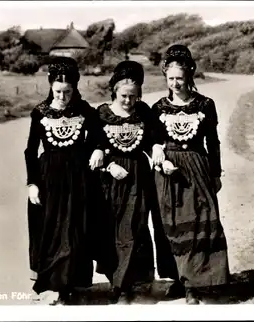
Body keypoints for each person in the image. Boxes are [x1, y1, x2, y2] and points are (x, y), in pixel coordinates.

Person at [150, 44, 231, 304]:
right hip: (169, 173)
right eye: (170, 78)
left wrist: (216, 173)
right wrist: (157, 153)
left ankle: (197, 283)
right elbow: (152, 140)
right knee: (171, 224)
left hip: (197, 167)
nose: (175, 83)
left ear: (190, 75)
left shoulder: (206, 104)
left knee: (201, 221)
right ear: (165, 76)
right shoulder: (158, 107)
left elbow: (213, 142)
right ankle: (179, 279)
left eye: (180, 78)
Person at [24, 57, 104, 305]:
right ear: (50, 86)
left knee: (73, 230)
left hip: (78, 178)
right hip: (49, 178)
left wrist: (98, 149)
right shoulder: (39, 113)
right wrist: (32, 183)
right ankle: (52, 282)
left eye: (67, 92)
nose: (62, 96)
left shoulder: (85, 111)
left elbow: (99, 137)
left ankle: (65, 286)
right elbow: (30, 150)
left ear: (75, 89)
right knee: (52, 230)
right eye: (57, 91)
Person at [92, 61, 157, 304]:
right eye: (124, 96)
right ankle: (114, 279)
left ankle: (126, 284)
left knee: (134, 227)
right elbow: (94, 145)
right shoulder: (101, 114)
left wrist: (158, 148)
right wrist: (107, 161)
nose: (128, 101)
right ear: (114, 92)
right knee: (110, 227)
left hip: (138, 176)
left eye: (133, 96)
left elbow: (153, 139)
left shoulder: (145, 112)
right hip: (110, 178)